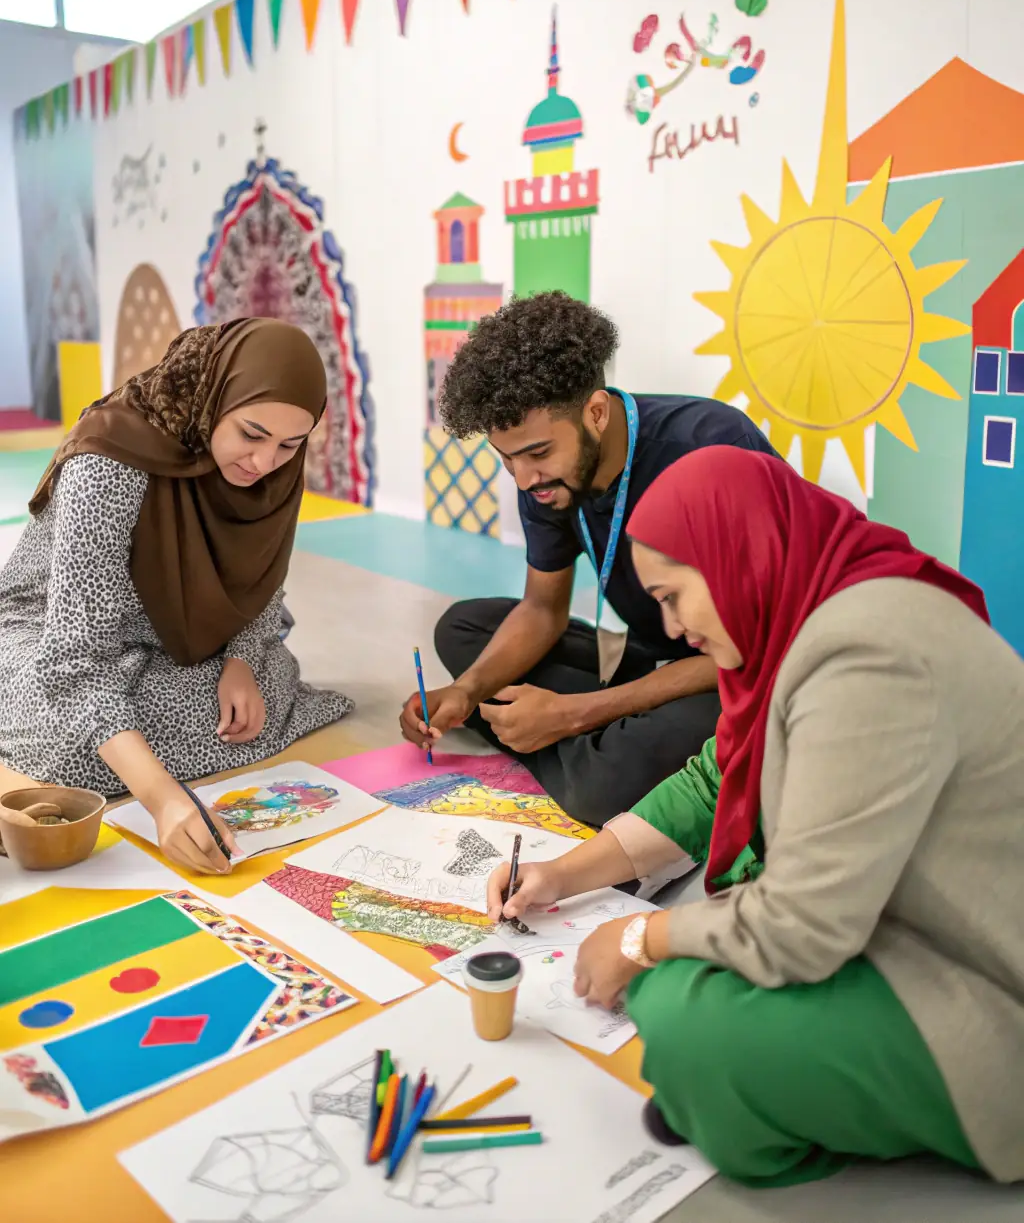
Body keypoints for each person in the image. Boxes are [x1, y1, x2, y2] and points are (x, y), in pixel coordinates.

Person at [485, 446, 1024, 1187]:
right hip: (907, 924)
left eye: (673, 596)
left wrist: (639, 935)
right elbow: (718, 779)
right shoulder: (811, 611)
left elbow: (802, 925)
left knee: (681, 1013)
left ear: (739, 554)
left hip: (987, 985)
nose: (671, 630)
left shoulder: (866, 656)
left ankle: (788, 1115)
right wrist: (562, 873)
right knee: (686, 968)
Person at [399, 293, 776, 827]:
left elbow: (758, 648)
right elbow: (542, 609)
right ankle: (572, 736)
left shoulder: (711, 447)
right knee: (462, 628)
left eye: (538, 453)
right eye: (505, 458)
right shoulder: (543, 482)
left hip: (735, 671)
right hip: (647, 659)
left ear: (596, 413)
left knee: (605, 791)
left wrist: (574, 714)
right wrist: (467, 691)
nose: (524, 479)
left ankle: (578, 745)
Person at [0, 319, 353, 876]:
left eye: (290, 444)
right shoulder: (108, 461)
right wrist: (164, 800)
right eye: (252, 434)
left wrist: (242, 658)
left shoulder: (274, 465)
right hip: (50, 629)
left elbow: (260, 579)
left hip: (179, 632)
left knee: (246, 698)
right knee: (70, 739)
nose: (264, 462)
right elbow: (73, 659)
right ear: (212, 397)